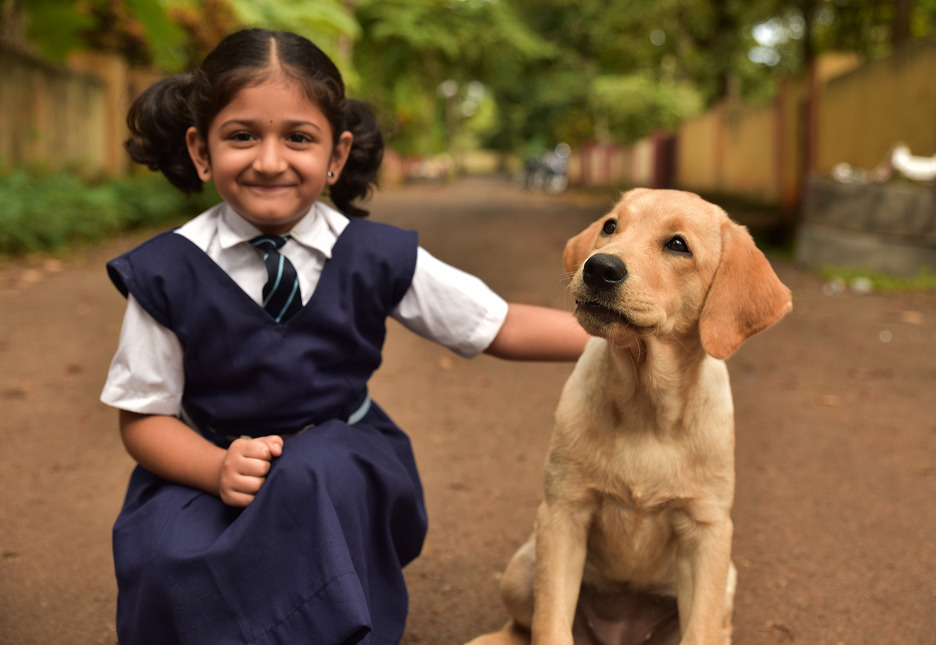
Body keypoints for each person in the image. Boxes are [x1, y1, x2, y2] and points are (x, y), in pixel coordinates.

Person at [100, 28, 588, 645]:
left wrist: (618, 338)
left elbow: (499, 324)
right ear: (201, 151)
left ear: (335, 155)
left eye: (298, 138)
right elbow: (142, 420)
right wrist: (216, 465)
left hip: (343, 464)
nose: (270, 160)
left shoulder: (375, 254)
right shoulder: (166, 273)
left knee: (316, 475)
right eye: (242, 135)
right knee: (168, 549)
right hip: (208, 462)